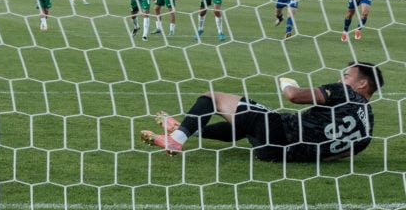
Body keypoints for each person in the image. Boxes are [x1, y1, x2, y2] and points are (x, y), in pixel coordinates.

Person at [140, 62, 382, 163]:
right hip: (279, 155)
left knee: (212, 97)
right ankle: (186, 128)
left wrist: (286, 82)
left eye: (347, 76)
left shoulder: (347, 93)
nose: (342, 79)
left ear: (362, 84)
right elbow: (337, 156)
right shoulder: (368, 129)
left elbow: (294, 96)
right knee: (244, 125)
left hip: (279, 131)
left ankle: (177, 139)